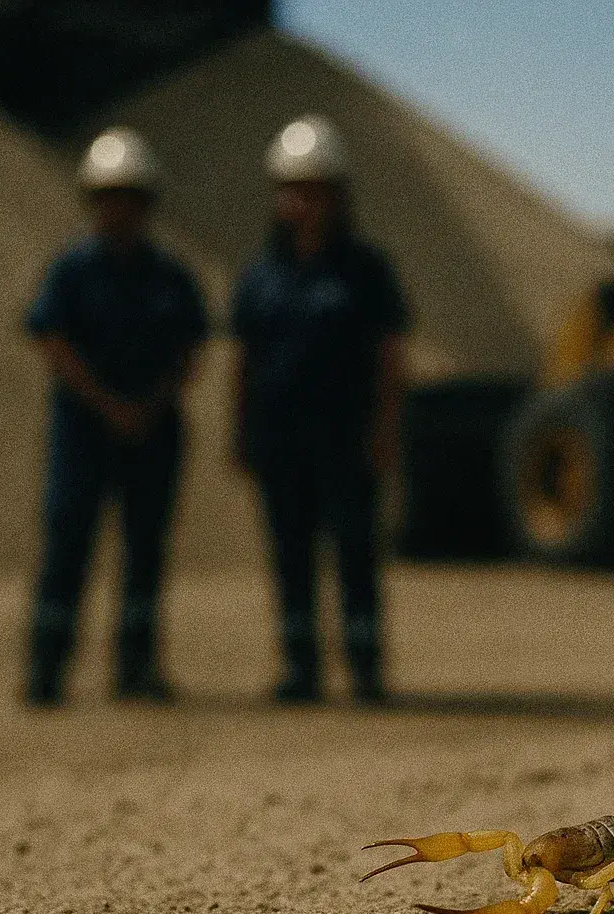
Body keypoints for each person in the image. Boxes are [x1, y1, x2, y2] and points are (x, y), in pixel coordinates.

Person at [22, 127, 209, 707]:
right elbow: (51, 340)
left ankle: (136, 666)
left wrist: (148, 406)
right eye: (107, 195)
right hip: (84, 432)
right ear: (91, 200)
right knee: (67, 544)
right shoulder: (71, 272)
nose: (118, 207)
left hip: (153, 433)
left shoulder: (170, 277)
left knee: (145, 551)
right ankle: (47, 668)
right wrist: (107, 404)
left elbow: (190, 350)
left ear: (147, 201)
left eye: (129, 195)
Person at [231, 115, 410, 705]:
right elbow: (244, 359)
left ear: (338, 194)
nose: (303, 201)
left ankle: (365, 670)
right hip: (282, 440)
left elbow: (389, 355)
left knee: (356, 553)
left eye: (315, 189)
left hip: (347, 439)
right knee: (290, 557)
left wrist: (386, 429)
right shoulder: (259, 276)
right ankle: (300, 670)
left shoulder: (367, 271)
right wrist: (241, 433)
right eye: (293, 189)